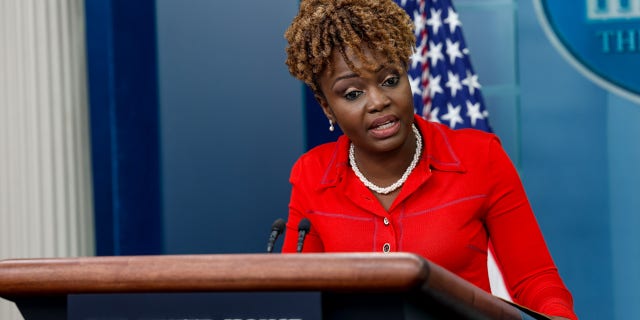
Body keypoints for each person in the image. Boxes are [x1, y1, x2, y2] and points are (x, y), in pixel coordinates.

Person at [280, 0, 577, 319]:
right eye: (353, 93)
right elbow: (297, 294)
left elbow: (535, 280)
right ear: (326, 107)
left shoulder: (480, 157)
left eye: (390, 80)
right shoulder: (312, 175)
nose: (379, 101)